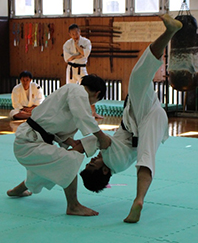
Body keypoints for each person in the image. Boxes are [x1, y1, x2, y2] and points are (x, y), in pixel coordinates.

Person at [78, 14, 183, 223]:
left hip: (146, 120)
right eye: (92, 165)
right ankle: (169, 32)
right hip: (143, 116)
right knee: (138, 76)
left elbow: (95, 144)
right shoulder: (111, 159)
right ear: (104, 170)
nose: (91, 161)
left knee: (146, 157)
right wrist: (87, 122)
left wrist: (71, 144)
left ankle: (139, 200)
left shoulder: (116, 162)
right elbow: (103, 140)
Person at [6, 74, 112, 216]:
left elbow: (54, 127)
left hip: (31, 141)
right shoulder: (77, 91)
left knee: (46, 170)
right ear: (97, 93)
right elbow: (84, 117)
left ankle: (16, 191)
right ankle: (73, 205)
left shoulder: (70, 94)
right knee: (69, 160)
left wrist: (70, 142)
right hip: (28, 142)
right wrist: (101, 136)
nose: (90, 106)